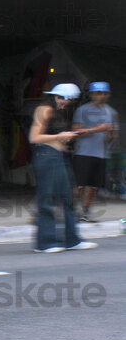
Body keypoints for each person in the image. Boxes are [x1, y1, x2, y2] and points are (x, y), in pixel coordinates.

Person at [29, 83, 97, 252]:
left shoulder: (60, 111)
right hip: (47, 156)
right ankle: (45, 243)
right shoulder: (44, 109)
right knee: (47, 200)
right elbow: (34, 137)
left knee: (68, 199)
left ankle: (72, 240)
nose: (64, 104)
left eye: (68, 101)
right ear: (56, 96)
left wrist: (69, 136)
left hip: (59, 156)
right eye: (63, 100)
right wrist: (59, 136)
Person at [72, 82, 118, 221]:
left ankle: (86, 211)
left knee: (92, 186)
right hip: (83, 152)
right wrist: (95, 129)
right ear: (91, 94)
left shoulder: (111, 112)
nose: (101, 96)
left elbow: (110, 136)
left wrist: (110, 134)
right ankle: (72, 209)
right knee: (79, 186)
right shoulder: (82, 110)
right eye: (98, 93)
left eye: (104, 93)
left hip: (100, 153)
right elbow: (75, 132)